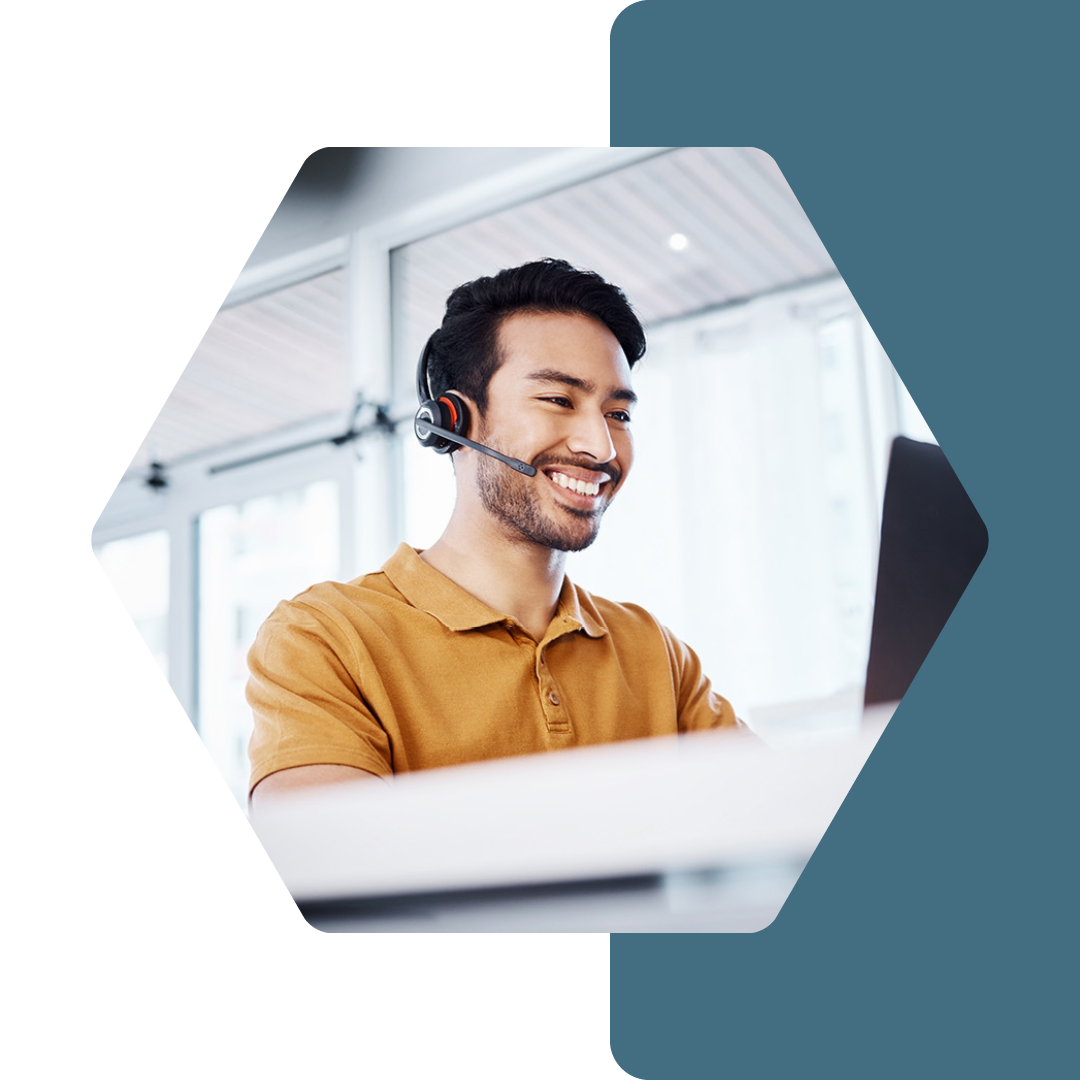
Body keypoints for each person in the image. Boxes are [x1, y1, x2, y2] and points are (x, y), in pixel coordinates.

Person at [247, 259, 739, 806]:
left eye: (618, 414)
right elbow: (327, 870)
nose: (601, 448)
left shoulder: (655, 652)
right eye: (558, 400)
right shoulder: (326, 637)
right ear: (453, 420)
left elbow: (774, 817)